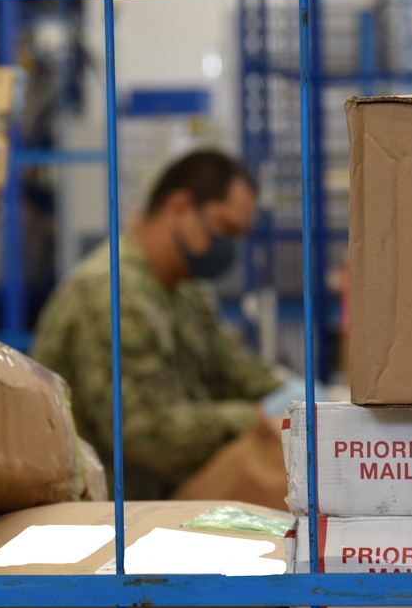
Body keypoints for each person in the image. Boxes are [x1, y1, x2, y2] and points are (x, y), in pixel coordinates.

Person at [32, 149, 309, 500]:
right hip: (105, 516)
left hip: (166, 500)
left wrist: (303, 400)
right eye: (225, 229)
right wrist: (254, 419)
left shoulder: (186, 290)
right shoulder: (110, 295)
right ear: (179, 208)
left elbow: (236, 371)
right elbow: (148, 433)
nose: (231, 248)